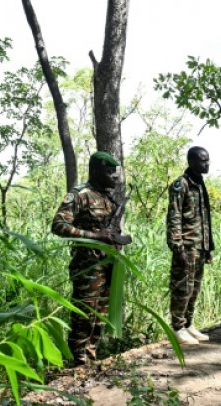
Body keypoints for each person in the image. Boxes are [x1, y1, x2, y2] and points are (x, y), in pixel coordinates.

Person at [51, 151, 131, 366]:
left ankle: (91, 357)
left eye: (115, 173)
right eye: (109, 173)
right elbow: (58, 225)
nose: (114, 177)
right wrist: (94, 236)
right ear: (95, 171)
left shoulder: (108, 197)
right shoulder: (80, 194)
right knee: (84, 315)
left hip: (108, 264)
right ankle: (77, 362)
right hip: (87, 266)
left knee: (99, 316)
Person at [166, 146, 215, 346]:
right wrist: (177, 247)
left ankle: (188, 324)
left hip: (199, 246)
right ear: (192, 162)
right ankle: (177, 327)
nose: (207, 164)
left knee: (194, 287)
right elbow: (174, 216)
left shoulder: (200, 184)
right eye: (203, 160)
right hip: (186, 246)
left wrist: (208, 247)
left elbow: (205, 219)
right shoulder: (181, 185)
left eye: (208, 160)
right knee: (182, 287)